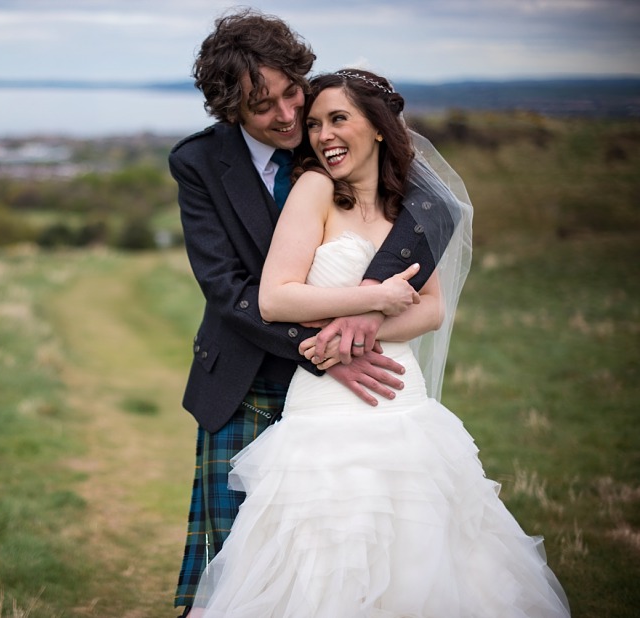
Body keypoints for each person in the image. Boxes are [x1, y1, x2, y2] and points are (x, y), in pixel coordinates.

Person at [191, 69, 570, 616]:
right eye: (316, 124)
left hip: (401, 400)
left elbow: (432, 309)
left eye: (338, 119)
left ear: (378, 128)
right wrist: (371, 299)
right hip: (325, 406)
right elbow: (276, 298)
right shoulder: (315, 188)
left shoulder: (412, 210)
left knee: (424, 552)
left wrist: (354, 331)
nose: (322, 135)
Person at [169, 9, 456, 615]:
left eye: (291, 91)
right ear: (232, 111)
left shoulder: (334, 133)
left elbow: (428, 212)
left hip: (354, 393)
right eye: (261, 105)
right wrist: (331, 352)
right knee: (244, 568)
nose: (288, 115)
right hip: (246, 381)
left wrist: (349, 343)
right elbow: (231, 289)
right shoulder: (198, 164)